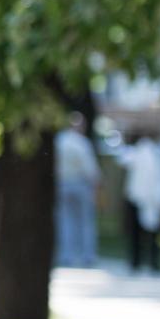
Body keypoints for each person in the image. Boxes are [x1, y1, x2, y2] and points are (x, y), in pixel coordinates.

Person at [121, 130, 160, 272]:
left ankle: (153, 262)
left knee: (155, 230)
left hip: (156, 195)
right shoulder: (140, 148)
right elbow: (123, 159)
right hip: (140, 195)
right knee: (138, 230)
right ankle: (137, 262)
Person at [54, 112, 101, 267]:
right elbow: (90, 168)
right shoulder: (82, 143)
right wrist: (96, 184)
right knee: (85, 222)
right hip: (80, 184)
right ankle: (87, 256)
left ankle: (66, 255)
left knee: (65, 220)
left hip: (62, 183)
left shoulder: (59, 141)